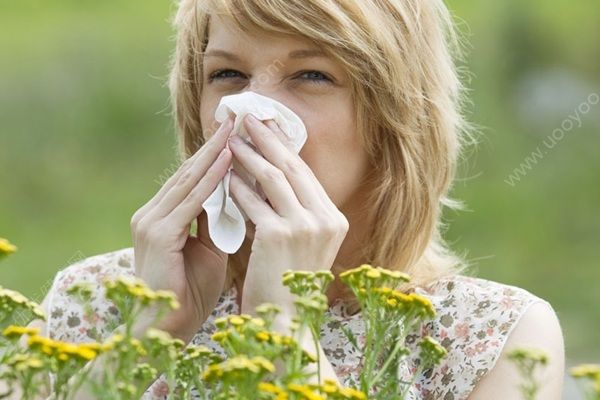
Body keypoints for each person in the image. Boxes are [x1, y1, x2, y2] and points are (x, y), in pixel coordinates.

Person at [7, 0, 565, 398]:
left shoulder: (492, 334)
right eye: (227, 73)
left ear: (393, 119)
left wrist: (284, 334)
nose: (250, 111)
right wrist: (146, 337)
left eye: (311, 75)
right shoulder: (98, 301)